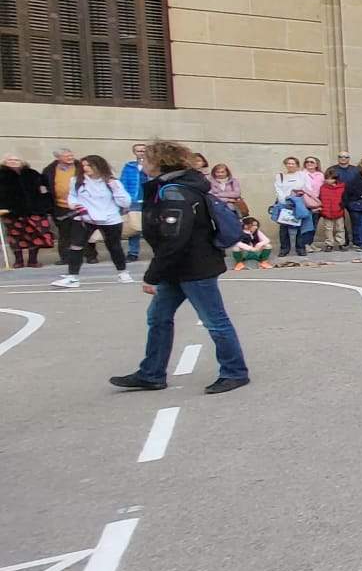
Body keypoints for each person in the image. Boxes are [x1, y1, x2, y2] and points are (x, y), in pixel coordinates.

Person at [109, 140, 251, 395]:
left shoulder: (175, 192)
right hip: (179, 266)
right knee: (158, 317)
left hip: (194, 266)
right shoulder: (174, 187)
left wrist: (153, 275)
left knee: (215, 321)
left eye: (147, 159)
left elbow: (175, 237)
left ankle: (235, 372)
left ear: (160, 162)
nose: (143, 163)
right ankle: (151, 373)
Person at [51, 155, 134, 287]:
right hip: (85, 218)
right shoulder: (76, 181)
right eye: (83, 165)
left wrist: (116, 189)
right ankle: (73, 277)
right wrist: (75, 205)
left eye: (89, 165)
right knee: (76, 246)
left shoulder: (112, 182)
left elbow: (125, 202)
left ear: (98, 166)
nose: (85, 168)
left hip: (110, 218)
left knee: (114, 246)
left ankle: (123, 272)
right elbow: (72, 197)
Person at [119, 144, 147, 261]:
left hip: (149, 199)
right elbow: (123, 183)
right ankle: (133, 252)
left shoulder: (153, 165)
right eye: (139, 151)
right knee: (134, 228)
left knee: (152, 227)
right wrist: (124, 201)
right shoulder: (129, 167)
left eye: (143, 151)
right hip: (134, 200)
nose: (141, 153)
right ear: (135, 153)